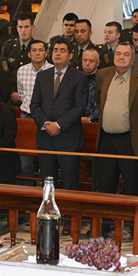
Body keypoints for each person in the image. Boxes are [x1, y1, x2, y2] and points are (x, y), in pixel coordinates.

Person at [95, 42, 138, 196]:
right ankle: (105, 219)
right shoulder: (103, 75)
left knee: (133, 186)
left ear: (133, 59)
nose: (121, 57)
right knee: (104, 186)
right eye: (118, 54)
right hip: (106, 140)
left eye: (126, 54)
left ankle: (132, 220)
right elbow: (99, 102)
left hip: (130, 140)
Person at [30, 37, 88, 193]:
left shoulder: (79, 77)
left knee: (70, 182)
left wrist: (58, 125)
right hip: (45, 138)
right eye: (55, 50)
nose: (58, 53)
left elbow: (79, 107)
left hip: (68, 140)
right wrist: (46, 124)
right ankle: (48, 215)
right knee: (47, 183)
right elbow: (34, 105)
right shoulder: (42, 76)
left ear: (70, 55)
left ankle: (71, 216)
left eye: (63, 51)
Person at [16, 40, 51, 184]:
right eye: (34, 50)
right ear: (29, 53)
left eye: (41, 50)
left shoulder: (53, 70)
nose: (37, 53)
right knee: (25, 159)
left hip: (46, 118)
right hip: (27, 117)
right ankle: (25, 194)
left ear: (46, 53)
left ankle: (46, 192)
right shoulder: (22, 70)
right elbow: (22, 94)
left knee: (46, 158)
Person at [2, 13, 36, 104]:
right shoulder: (8, 46)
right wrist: (12, 91)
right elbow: (4, 73)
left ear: (33, 28)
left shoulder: (38, 47)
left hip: (32, 97)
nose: (23, 30)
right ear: (17, 28)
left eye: (26, 27)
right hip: (11, 96)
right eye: (20, 27)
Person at [81, 48, 101, 123]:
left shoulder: (102, 79)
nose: (87, 64)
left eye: (91, 61)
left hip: (96, 121)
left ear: (98, 63)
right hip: (77, 120)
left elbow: (103, 104)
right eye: (85, 60)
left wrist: (89, 118)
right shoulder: (75, 78)